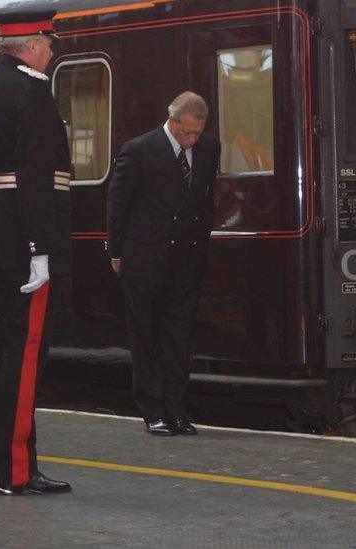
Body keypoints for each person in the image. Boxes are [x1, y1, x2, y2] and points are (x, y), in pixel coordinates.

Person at [0, 9, 72, 495]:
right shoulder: (33, 91)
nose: (50, 51)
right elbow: (37, 177)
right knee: (22, 357)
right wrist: (39, 248)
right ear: (32, 43)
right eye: (48, 42)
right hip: (24, 237)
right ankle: (14, 470)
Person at [106, 92, 221, 436]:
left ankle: (177, 409)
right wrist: (116, 252)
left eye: (198, 134)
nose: (192, 140)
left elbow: (205, 200)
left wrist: (202, 244)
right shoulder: (139, 150)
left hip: (186, 260)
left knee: (179, 339)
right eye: (187, 133)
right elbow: (118, 203)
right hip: (144, 259)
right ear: (172, 121)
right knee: (147, 337)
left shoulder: (209, 148)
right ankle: (153, 410)